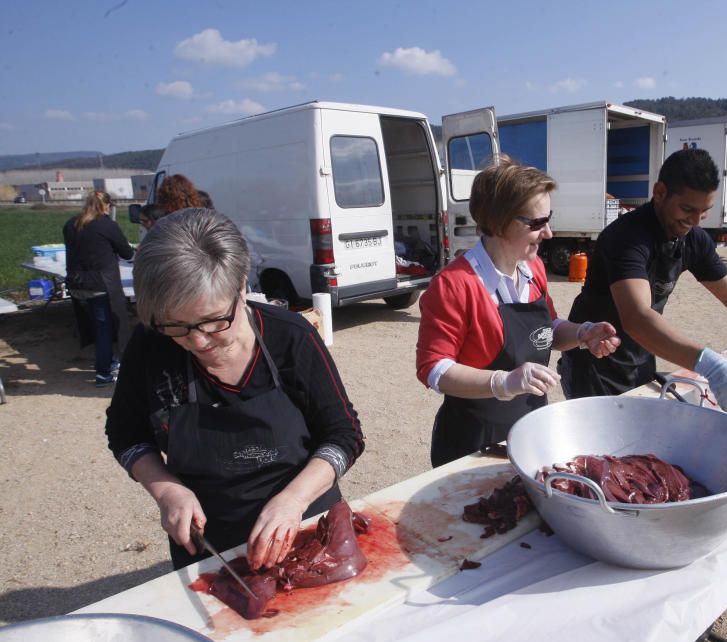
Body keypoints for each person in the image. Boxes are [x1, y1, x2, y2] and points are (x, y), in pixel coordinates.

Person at [105, 208, 364, 570]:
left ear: (241, 287)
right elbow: (125, 434)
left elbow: (344, 435)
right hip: (209, 542)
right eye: (176, 326)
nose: (197, 340)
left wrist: (293, 500)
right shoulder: (150, 347)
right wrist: (166, 489)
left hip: (304, 526)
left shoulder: (291, 338)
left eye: (213, 322)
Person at [559, 149, 727, 413]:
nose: (694, 221)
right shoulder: (627, 238)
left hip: (641, 356)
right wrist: (711, 365)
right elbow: (637, 318)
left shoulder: (692, 238)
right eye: (687, 209)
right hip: (593, 363)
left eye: (704, 212)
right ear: (660, 192)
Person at [416, 157, 620, 468]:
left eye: (548, 219)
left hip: (530, 429)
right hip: (473, 443)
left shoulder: (533, 268)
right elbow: (434, 369)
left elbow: (546, 328)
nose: (549, 233)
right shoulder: (454, 285)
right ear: (499, 223)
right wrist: (503, 382)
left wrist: (580, 333)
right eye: (537, 223)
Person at [63, 191, 134, 386]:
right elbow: (127, 253)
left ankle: (108, 361)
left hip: (77, 284)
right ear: (106, 206)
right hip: (100, 284)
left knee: (94, 324)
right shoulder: (107, 225)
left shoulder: (71, 224)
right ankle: (103, 373)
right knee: (106, 329)